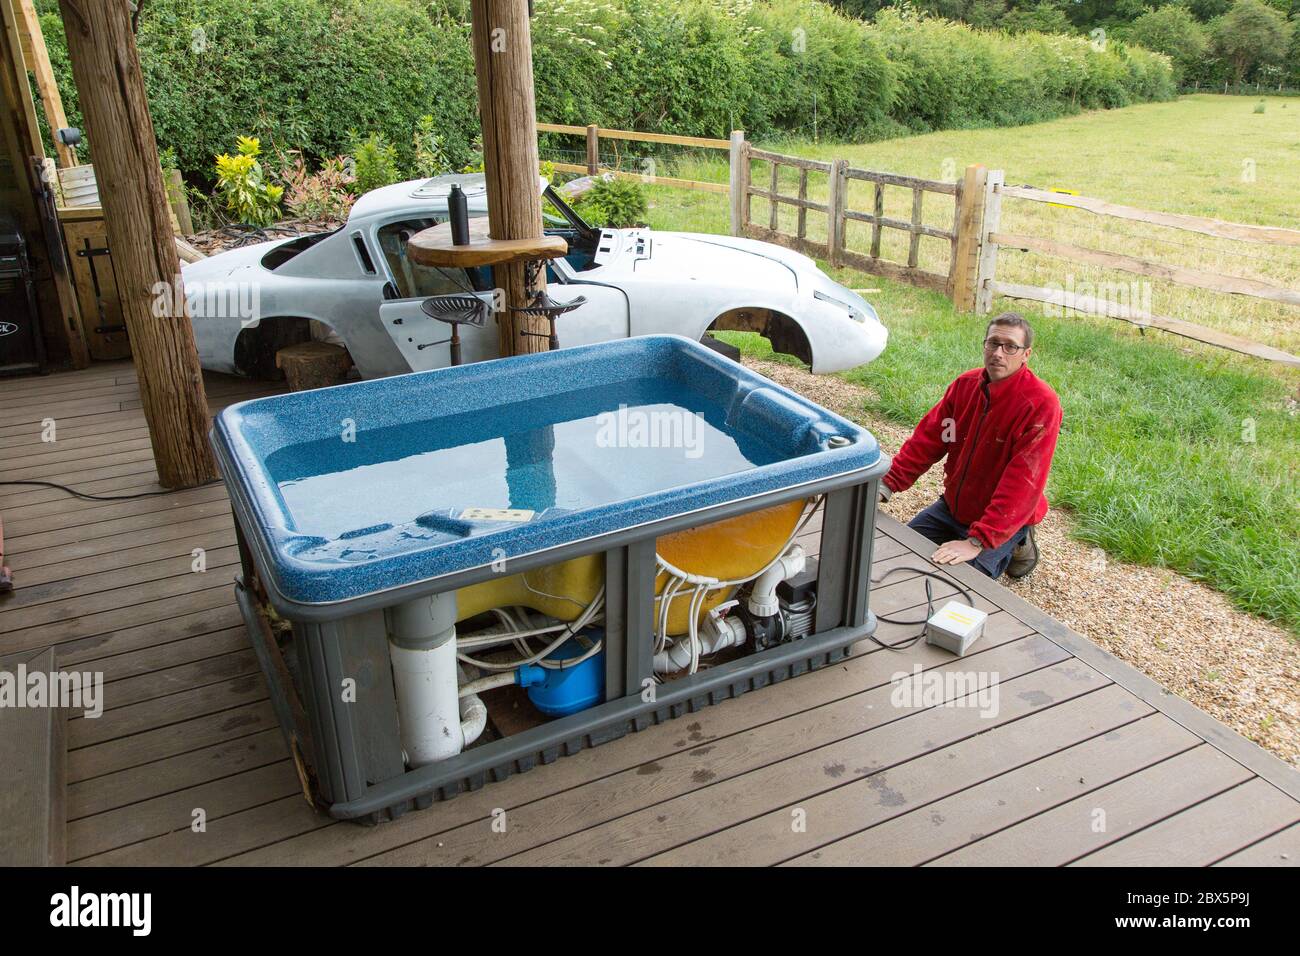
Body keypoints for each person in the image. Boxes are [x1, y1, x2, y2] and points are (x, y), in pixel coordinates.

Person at [879, 312, 1061, 579]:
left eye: (1010, 346)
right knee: (897, 552)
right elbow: (929, 439)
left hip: (1000, 516)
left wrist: (978, 541)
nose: (999, 353)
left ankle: (1018, 539)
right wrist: (888, 484)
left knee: (962, 581)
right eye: (993, 343)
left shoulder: (1040, 404)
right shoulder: (965, 386)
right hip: (953, 508)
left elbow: (1024, 482)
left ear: (1026, 354)